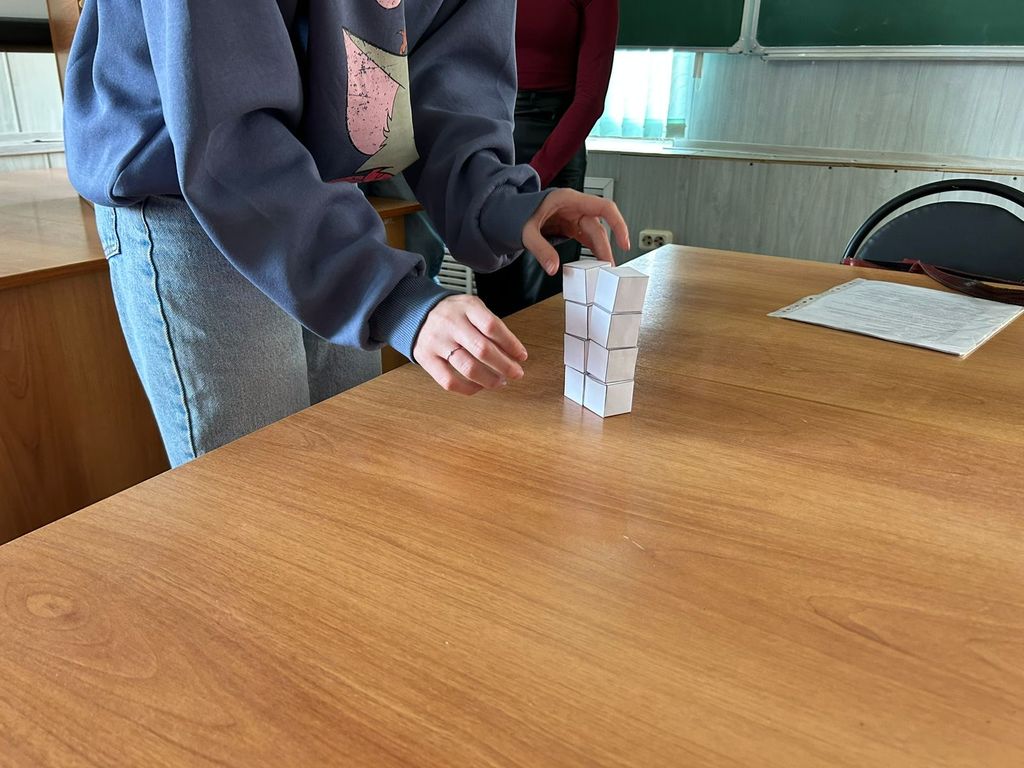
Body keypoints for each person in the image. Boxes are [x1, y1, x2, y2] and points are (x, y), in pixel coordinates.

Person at [63, 0, 629, 467]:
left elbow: (451, 80)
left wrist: (501, 204)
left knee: (346, 466)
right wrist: (391, 296)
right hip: (193, 196)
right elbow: (225, 131)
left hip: (328, 191)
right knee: (259, 494)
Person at [474, 0, 620, 318]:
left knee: (547, 298)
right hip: (493, 140)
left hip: (556, 144)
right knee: (495, 297)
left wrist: (534, 175)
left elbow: (590, 99)